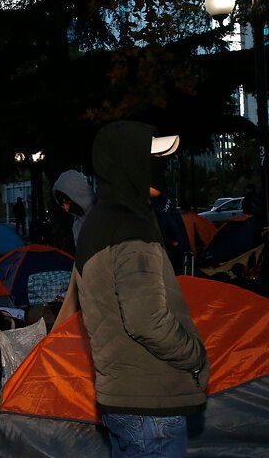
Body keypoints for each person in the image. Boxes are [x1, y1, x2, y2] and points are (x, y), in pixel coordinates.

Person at [75, 121, 209, 457]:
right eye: (148, 159)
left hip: (121, 398)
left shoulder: (99, 220)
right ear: (127, 163)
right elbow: (146, 320)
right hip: (150, 401)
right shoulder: (130, 227)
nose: (159, 169)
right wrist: (195, 355)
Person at [52, 169, 96, 247]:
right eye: (62, 204)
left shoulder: (100, 215)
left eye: (67, 202)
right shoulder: (77, 223)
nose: (66, 208)